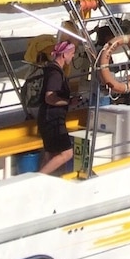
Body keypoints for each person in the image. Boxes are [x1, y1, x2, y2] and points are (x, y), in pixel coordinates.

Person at [38, 40, 77, 174]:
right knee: (67, 153)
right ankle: (37, 178)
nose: (73, 57)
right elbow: (50, 97)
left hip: (46, 118)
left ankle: (42, 180)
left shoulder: (50, 69)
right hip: (52, 120)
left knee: (51, 155)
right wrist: (68, 102)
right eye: (72, 54)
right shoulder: (55, 73)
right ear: (64, 55)